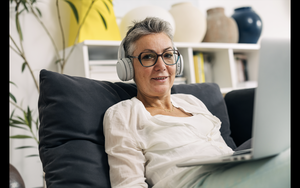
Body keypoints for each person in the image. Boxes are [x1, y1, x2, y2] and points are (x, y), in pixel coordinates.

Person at [103, 17, 290, 188]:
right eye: (148, 57)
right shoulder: (124, 113)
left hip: (233, 173)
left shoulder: (191, 102)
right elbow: (128, 184)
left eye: (168, 55)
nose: (161, 66)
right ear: (128, 68)